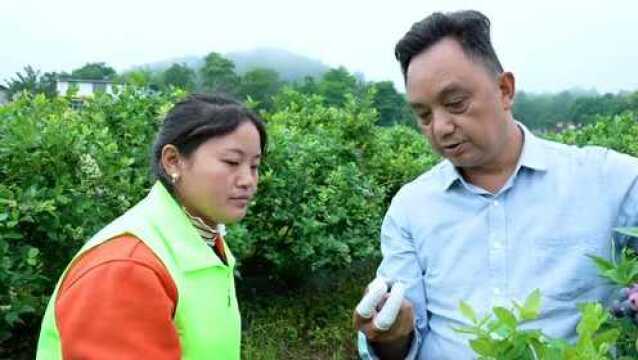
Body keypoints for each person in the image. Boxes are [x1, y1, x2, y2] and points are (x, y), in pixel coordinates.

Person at [354, 9, 638, 359]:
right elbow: (399, 341)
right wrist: (390, 334)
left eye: (455, 103)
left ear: (505, 90)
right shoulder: (411, 207)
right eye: (423, 115)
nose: (440, 127)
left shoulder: (607, 180)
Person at [37, 94, 267, 359]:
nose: (248, 180)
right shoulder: (127, 266)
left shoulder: (201, 238)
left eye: (255, 165)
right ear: (173, 161)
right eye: (231, 162)